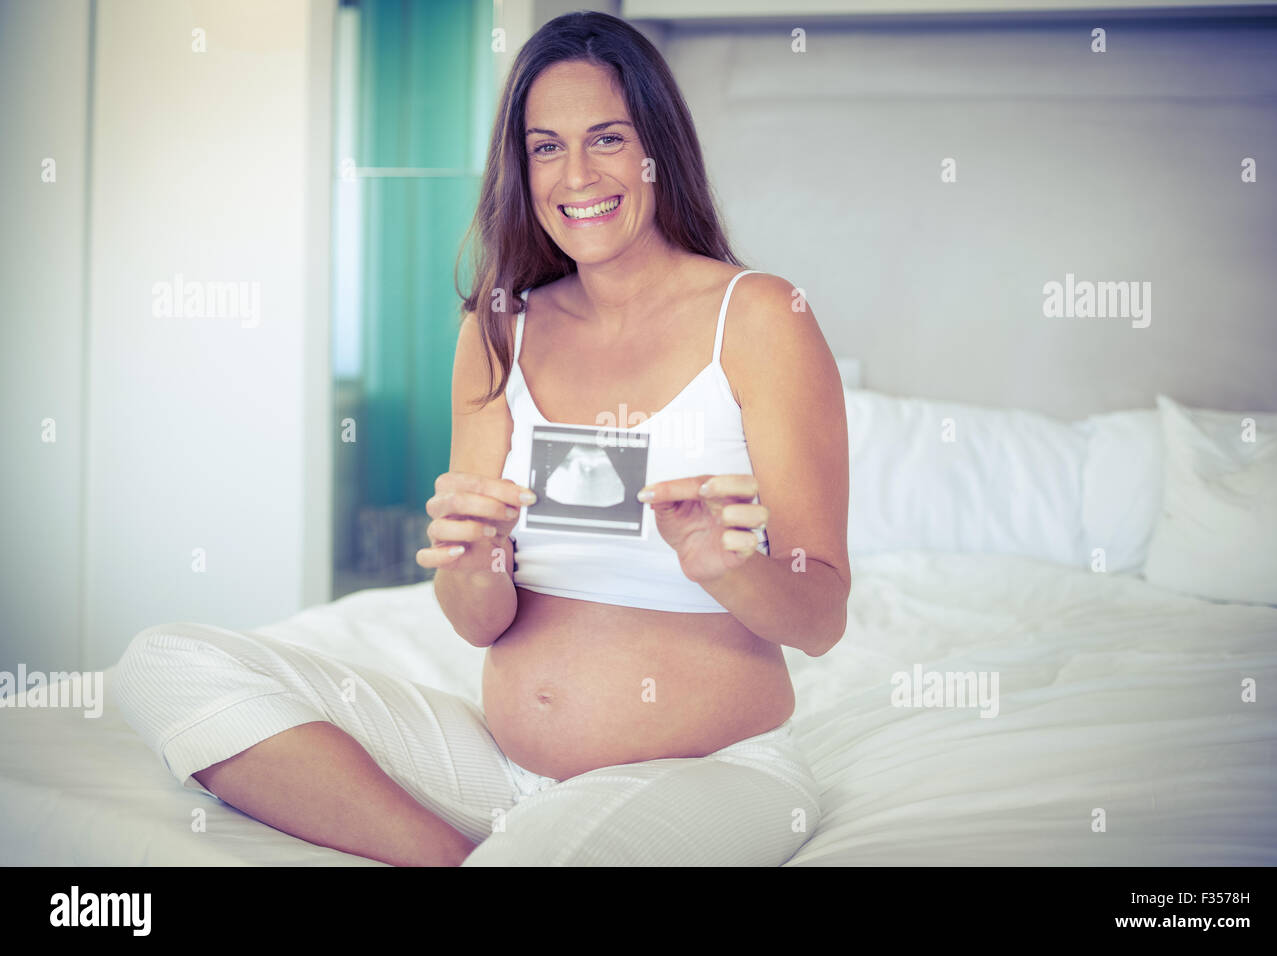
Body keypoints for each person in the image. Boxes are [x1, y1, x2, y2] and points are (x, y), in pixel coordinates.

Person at [113, 10, 849, 867]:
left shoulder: (759, 316)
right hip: (502, 774)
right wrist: (473, 560)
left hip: (709, 771)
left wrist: (730, 567)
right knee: (163, 664)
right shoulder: (501, 327)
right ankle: (449, 859)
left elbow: (823, 617)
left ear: (657, 151)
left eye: (607, 138)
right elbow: (477, 624)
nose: (577, 174)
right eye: (546, 147)